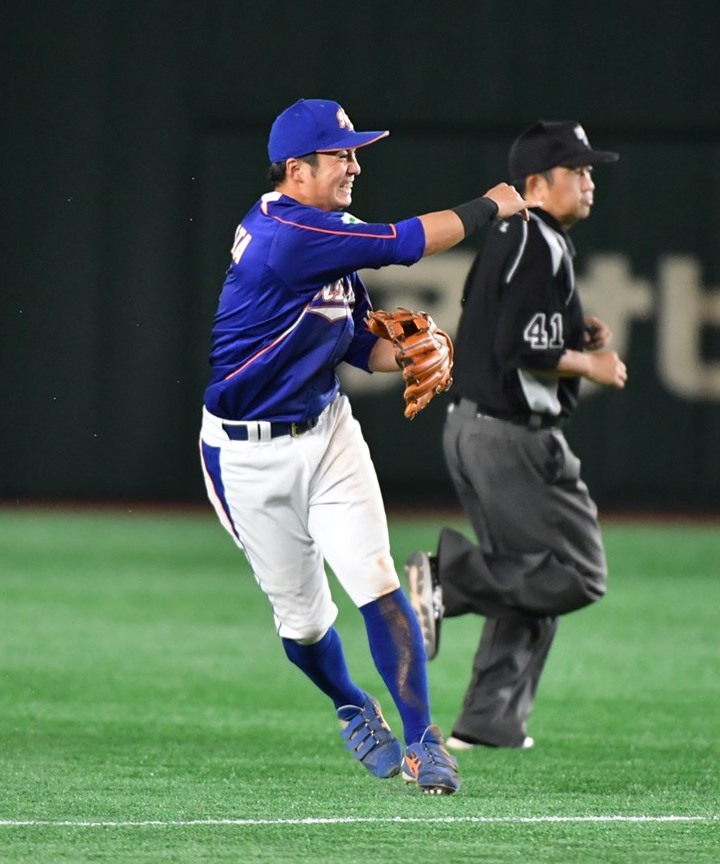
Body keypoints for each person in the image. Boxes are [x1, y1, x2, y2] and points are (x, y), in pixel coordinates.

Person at [198, 98, 531, 794]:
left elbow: (350, 339)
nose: (354, 165)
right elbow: (408, 242)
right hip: (245, 457)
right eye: (341, 154)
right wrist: (492, 205)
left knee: (377, 579)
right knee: (304, 625)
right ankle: (353, 704)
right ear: (298, 168)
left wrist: (407, 356)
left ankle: (423, 742)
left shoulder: (323, 229)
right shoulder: (289, 232)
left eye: (355, 152)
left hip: (325, 433)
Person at [405, 120, 626, 752]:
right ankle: (450, 581)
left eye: (588, 171)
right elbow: (518, 346)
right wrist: (588, 365)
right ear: (535, 183)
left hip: (476, 429)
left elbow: (498, 322)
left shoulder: (516, 236)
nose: (588, 182)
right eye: (576, 171)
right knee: (576, 572)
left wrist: (576, 334)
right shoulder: (537, 239)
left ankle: (489, 720)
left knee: (528, 576)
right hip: (512, 438)